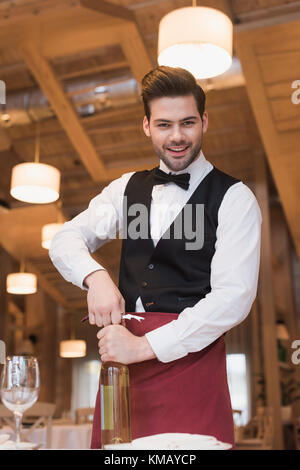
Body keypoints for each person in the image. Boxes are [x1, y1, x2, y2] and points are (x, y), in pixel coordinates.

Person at [49, 66, 262, 449]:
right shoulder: (125, 189)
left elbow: (235, 297)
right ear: (146, 125)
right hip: (120, 368)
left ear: (205, 122)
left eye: (188, 123)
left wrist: (145, 348)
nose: (177, 136)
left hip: (192, 363)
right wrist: (94, 277)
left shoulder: (235, 198)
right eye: (164, 124)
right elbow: (65, 239)